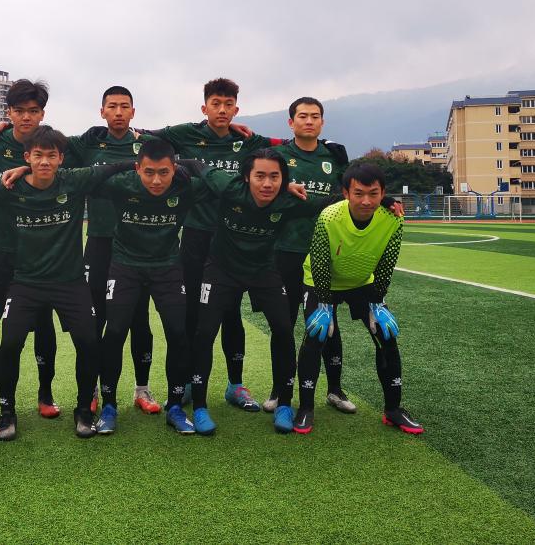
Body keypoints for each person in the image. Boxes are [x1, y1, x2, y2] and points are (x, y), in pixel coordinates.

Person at [0, 125, 132, 440]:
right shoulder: (8, 186)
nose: (45, 161)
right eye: (38, 155)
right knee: (10, 343)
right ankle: (7, 412)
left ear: (61, 158)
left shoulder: (74, 180)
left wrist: (157, 163)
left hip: (70, 282)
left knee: (88, 341)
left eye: (52, 155)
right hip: (26, 282)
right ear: (27, 157)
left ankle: (83, 410)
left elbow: (114, 167)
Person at [148, 77, 282, 412]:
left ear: (236, 109)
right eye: (216, 104)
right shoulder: (186, 134)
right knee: (192, 314)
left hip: (232, 238)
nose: (222, 110)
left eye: (228, 105)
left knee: (231, 313)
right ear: (204, 107)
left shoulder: (246, 141)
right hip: (195, 236)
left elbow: (288, 146)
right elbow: (146, 137)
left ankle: (236, 385)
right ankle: (189, 383)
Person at [180, 150, 323, 435]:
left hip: (263, 271)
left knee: (284, 329)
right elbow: (197, 164)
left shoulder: (288, 201)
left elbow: (331, 202)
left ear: (284, 180)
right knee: (204, 332)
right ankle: (200, 406)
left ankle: (284, 404)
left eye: (274, 177)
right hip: (221, 270)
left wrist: (384, 200)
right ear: (246, 177)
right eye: (260, 176)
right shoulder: (229, 187)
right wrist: (168, 163)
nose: (267, 183)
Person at [81, 139, 208, 435]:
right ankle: (109, 406)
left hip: (168, 268)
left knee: (178, 333)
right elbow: (83, 179)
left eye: (164, 172)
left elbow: (224, 184)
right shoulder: (122, 184)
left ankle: (175, 406)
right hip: (125, 266)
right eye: (149, 172)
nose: (156, 181)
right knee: (114, 332)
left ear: (174, 169)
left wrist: (190, 166)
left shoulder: (186, 187)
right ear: (138, 169)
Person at [293, 163, 424, 435]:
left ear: (383, 193)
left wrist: (377, 302)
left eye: (373, 194)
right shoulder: (330, 216)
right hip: (321, 281)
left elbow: (387, 262)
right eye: (359, 193)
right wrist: (325, 304)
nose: (366, 201)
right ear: (346, 193)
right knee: (317, 334)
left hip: (362, 283)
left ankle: (393, 409)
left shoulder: (393, 218)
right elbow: (319, 261)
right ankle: (305, 408)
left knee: (386, 335)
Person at [0, 80, 60, 418]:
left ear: (42, 113)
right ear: (9, 113)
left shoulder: (51, 144)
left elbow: (83, 159)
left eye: (33, 111)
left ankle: (45, 392)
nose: (26, 117)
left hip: (39, 253)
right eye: (19, 111)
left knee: (43, 324)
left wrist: (28, 167)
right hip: (0, 250)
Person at [63, 87, 159, 414]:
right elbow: (45, 144)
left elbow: (182, 142)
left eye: (124, 107)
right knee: (95, 319)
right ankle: (91, 390)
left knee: (139, 319)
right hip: (99, 244)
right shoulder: (87, 144)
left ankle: (142, 389)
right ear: (102, 111)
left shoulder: (146, 145)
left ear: (133, 112)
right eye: (112, 106)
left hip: (136, 245)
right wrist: (6, 126)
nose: (118, 112)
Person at [267, 97, 354, 414]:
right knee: (284, 323)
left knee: (327, 322)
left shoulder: (333, 157)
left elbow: (349, 193)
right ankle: (279, 389)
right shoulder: (279, 157)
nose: (309, 121)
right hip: (285, 250)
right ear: (291, 122)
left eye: (315, 116)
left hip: (323, 251)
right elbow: (272, 197)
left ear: (322, 122)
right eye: (302, 116)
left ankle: (335, 389)